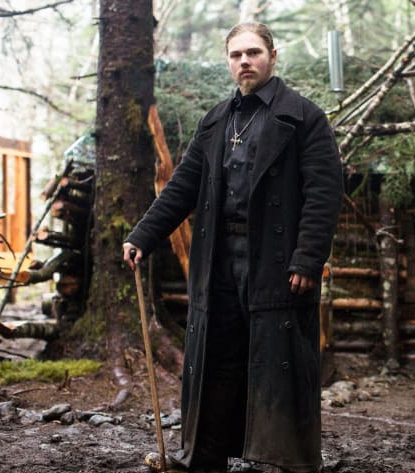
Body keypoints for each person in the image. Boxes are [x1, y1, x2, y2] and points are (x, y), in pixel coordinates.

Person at [123, 21, 342, 473]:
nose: (245, 61)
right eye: (236, 55)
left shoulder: (304, 118)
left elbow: (323, 193)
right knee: (218, 357)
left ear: (272, 56)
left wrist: (307, 258)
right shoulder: (216, 121)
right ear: (228, 61)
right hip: (219, 259)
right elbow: (182, 187)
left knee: (277, 362)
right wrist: (143, 236)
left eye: (253, 52)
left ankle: (285, 461)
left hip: (278, 263)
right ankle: (205, 457)